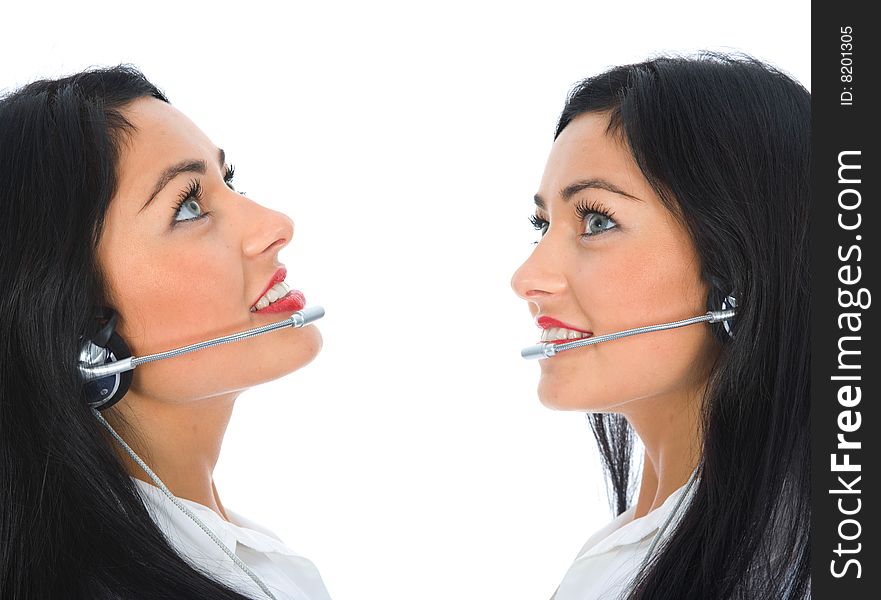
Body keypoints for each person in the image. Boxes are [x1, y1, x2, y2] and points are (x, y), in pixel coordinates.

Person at [0, 65, 331, 599]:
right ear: (76, 325)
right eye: (190, 206)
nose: (275, 223)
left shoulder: (235, 548)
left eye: (230, 182)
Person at [511, 53, 810, 599]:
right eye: (542, 226)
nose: (527, 278)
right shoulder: (629, 549)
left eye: (596, 220)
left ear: (737, 260)